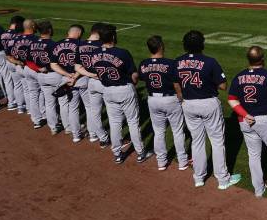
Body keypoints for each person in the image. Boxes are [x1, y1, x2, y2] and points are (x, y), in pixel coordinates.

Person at [74, 25, 150, 165]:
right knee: (132, 122)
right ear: (114, 37)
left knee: (114, 123)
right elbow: (133, 76)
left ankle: (117, 154)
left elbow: (84, 67)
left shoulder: (93, 54)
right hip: (124, 89)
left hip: (107, 90)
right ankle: (140, 152)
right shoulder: (123, 53)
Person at [175, 30, 241, 189]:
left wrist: (181, 96)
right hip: (208, 104)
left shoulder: (177, 62)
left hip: (188, 104)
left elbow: (175, 83)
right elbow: (223, 86)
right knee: (217, 142)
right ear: (202, 44)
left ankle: (198, 177)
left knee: (197, 141)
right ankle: (223, 180)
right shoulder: (210, 62)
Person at [227, 45, 267, 196]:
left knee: (253, 154)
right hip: (265, 120)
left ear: (248, 59)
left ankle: (258, 189)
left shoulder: (239, 76)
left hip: (245, 120)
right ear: (262, 59)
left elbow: (231, 99)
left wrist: (244, 113)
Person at [140, 35, 190, 171]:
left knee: (158, 131)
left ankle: (161, 162)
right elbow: (176, 84)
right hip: (170, 99)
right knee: (178, 131)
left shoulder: (144, 63)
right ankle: (182, 161)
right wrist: (181, 97)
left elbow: (142, 78)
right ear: (161, 46)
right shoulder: (170, 63)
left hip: (152, 99)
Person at [48, 24, 85, 142]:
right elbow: (84, 63)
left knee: (67, 105)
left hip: (65, 78)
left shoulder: (56, 44)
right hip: (80, 77)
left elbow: (53, 65)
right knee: (89, 107)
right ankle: (94, 133)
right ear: (78, 33)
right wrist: (74, 75)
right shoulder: (81, 44)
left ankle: (71, 129)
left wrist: (67, 75)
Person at [76, 24, 110, 147]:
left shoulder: (80, 44)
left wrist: (90, 74)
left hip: (90, 81)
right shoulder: (100, 45)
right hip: (103, 81)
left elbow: (77, 67)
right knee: (112, 111)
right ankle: (108, 137)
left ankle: (95, 135)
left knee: (93, 110)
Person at [28, 21, 63, 133]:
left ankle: (53, 126)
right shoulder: (53, 44)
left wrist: (38, 68)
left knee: (49, 102)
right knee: (63, 101)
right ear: (49, 30)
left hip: (40, 76)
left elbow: (28, 60)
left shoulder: (32, 43)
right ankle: (68, 125)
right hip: (54, 75)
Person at [0, 16, 26, 114]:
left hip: (8, 59)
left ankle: (19, 106)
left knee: (16, 84)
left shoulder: (3, 34)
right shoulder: (17, 34)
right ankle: (27, 106)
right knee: (26, 86)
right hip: (18, 62)